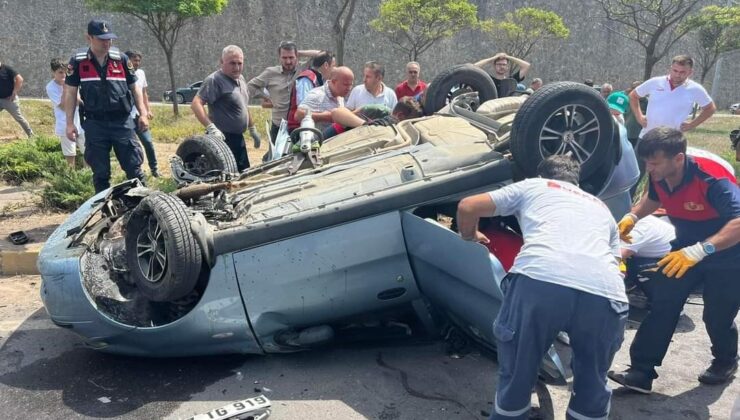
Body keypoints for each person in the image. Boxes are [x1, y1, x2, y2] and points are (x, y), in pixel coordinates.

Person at [457, 155, 628, 420]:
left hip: (541, 280)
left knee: (517, 374)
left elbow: (468, 206)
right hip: (606, 293)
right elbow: (615, 261)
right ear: (576, 182)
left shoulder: (535, 186)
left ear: (541, 175)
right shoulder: (602, 208)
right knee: (592, 383)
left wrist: (470, 235)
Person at [609, 127, 740, 394]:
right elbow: (653, 197)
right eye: (646, 162)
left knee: (716, 315)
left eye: (654, 163)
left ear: (678, 159)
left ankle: (725, 361)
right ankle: (641, 372)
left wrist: (701, 251)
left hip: (728, 254)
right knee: (663, 303)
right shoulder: (659, 173)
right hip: (684, 248)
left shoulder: (712, 179)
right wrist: (633, 216)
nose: (650, 168)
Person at [64, 19, 147, 193]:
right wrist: (70, 123)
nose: (107, 42)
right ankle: (106, 211)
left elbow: (135, 88)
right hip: (95, 123)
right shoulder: (78, 62)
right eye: (102, 39)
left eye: (109, 38)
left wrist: (143, 113)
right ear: (89, 38)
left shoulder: (121, 59)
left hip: (122, 122)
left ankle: (144, 207)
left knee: (134, 168)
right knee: (100, 173)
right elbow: (70, 93)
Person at [192, 45, 256, 172]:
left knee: (243, 174)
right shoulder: (214, 80)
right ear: (222, 62)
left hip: (238, 139)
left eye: (239, 63)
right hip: (222, 139)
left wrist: (252, 128)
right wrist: (211, 128)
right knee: (225, 179)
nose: (237, 67)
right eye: (232, 63)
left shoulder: (240, 79)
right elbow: (196, 103)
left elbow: (243, 105)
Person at [247, 41, 320, 143]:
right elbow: (250, 86)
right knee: (276, 157)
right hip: (279, 126)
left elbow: (320, 54)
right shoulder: (270, 72)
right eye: (284, 58)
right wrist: (265, 96)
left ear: (297, 57)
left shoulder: (304, 68)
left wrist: (300, 52)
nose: (288, 61)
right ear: (279, 57)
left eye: (291, 57)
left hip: (299, 125)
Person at [629, 55, 716, 138]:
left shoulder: (695, 89)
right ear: (670, 69)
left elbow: (710, 108)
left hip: (673, 140)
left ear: (690, 72)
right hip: (647, 136)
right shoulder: (655, 82)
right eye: (675, 71)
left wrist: (692, 125)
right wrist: (639, 117)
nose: (677, 75)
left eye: (682, 72)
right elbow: (633, 96)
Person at [125, 50, 158, 177]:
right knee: (132, 146)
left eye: (139, 60)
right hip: (127, 116)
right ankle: (135, 172)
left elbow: (144, 93)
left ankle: (154, 169)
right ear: (128, 60)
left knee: (148, 142)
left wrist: (147, 110)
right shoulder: (121, 74)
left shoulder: (141, 73)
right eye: (134, 60)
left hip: (140, 115)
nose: (137, 63)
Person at [46, 58, 85, 167]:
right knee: (70, 154)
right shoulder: (51, 87)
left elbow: (80, 103)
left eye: (65, 72)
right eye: (60, 72)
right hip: (64, 124)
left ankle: (88, 178)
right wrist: (66, 89)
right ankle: (71, 179)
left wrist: (72, 88)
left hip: (81, 122)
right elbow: (63, 106)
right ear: (53, 72)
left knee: (88, 152)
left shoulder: (74, 82)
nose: (64, 75)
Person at [324, 96, 424, 138]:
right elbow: (337, 113)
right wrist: (367, 125)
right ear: (400, 116)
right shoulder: (379, 111)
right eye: (408, 122)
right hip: (331, 135)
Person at [285, 51, 336, 132]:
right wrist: (329, 116)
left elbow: (320, 53)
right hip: (299, 130)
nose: (335, 70)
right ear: (326, 65)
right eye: (333, 66)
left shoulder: (320, 79)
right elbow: (304, 109)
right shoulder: (307, 79)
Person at [294, 66, 354, 132]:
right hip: (318, 140)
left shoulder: (341, 96)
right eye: (346, 85)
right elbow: (298, 115)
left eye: (351, 85)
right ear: (334, 81)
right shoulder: (317, 95)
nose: (349, 88)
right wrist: (323, 117)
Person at [0, 59, 34, 138]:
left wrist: (14, 92)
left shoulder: (7, 69)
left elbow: (20, 79)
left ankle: (31, 136)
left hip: (9, 99)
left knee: (19, 118)